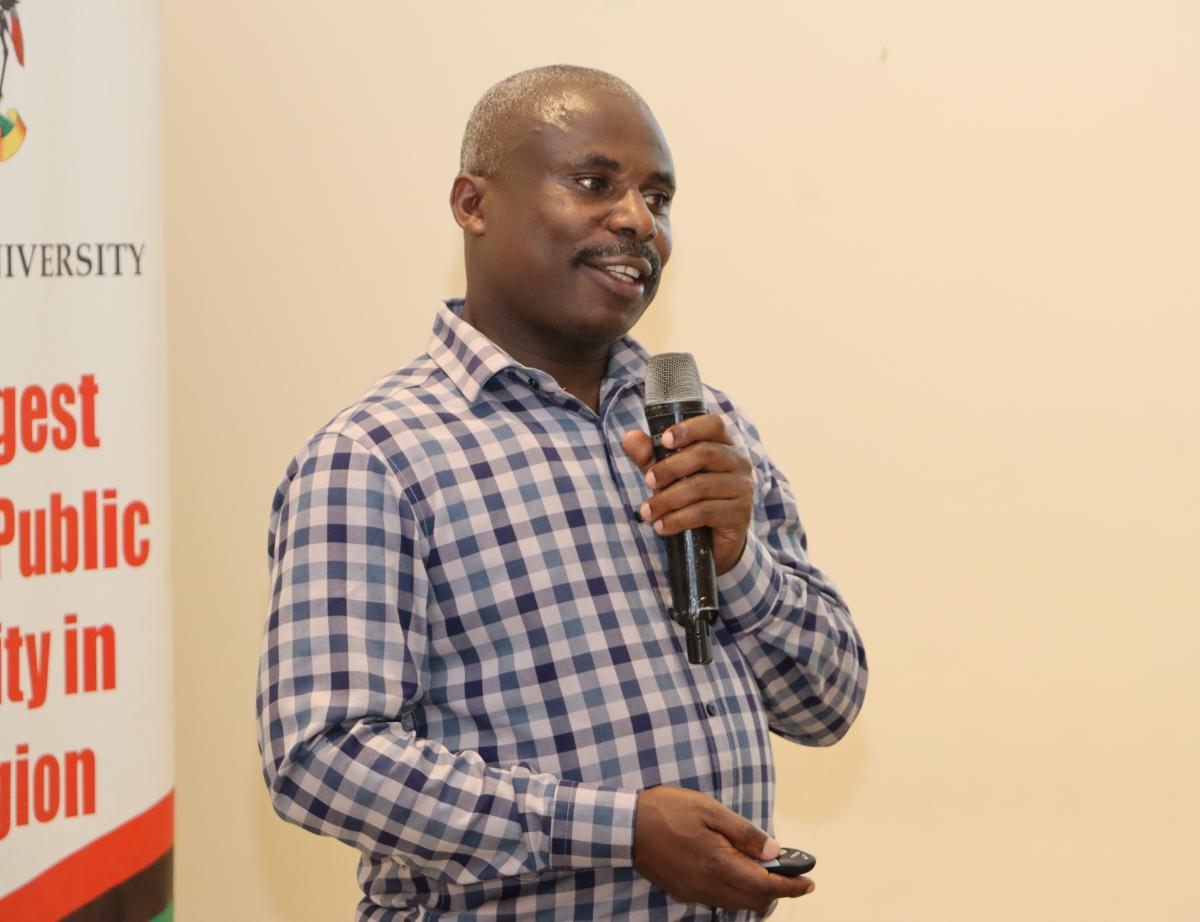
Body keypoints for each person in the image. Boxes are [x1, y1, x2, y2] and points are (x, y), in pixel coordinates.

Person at [256, 64, 867, 921]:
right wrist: (617, 830)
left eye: (659, 198)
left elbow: (828, 704)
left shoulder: (700, 425)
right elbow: (322, 759)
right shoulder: (375, 456)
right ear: (473, 205)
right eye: (594, 183)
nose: (636, 221)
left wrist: (738, 563)